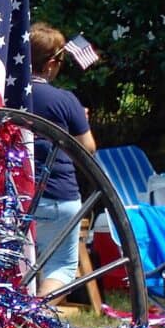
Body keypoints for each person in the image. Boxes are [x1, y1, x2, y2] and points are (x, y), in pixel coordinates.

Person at [26, 22, 97, 296]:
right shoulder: (65, 100)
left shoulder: (4, 94)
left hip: (16, 198)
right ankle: (34, 319)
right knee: (61, 267)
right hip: (59, 197)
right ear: (51, 64)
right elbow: (87, 148)